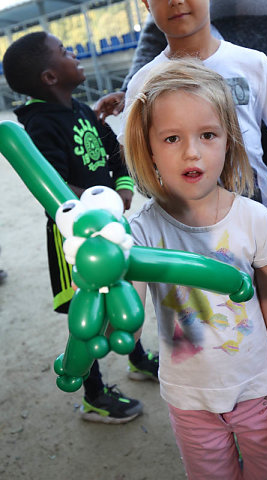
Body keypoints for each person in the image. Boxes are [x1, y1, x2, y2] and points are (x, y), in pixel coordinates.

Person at [124, 57, 267, 479]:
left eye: (207, 134)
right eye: (171, 138)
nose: (192, 151)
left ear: (229, 141)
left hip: (261, 394)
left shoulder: (254, 220)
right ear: (148, 148)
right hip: (189, 404)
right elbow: (127, 327)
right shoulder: (140, 233)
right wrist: (100, 292)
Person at [94, 0, 267, 313]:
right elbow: (136, 165)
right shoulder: (143, 83)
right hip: (183, 239)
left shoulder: (254, 65)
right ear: (145, 4)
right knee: (204, 336)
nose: (176, 1)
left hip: (258, 235)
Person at [2, 31, 158, 425]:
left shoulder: (83, 111)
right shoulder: (38, 124)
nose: (76, 54)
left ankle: (137, 358)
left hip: (111, 226)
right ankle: (93, 395)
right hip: (73, 239)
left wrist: (122, 186)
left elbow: (114, 151)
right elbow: (52, 184)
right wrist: (98, 202)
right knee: (87, 315)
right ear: (50, 76)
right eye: (66, 52)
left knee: (124, 293)